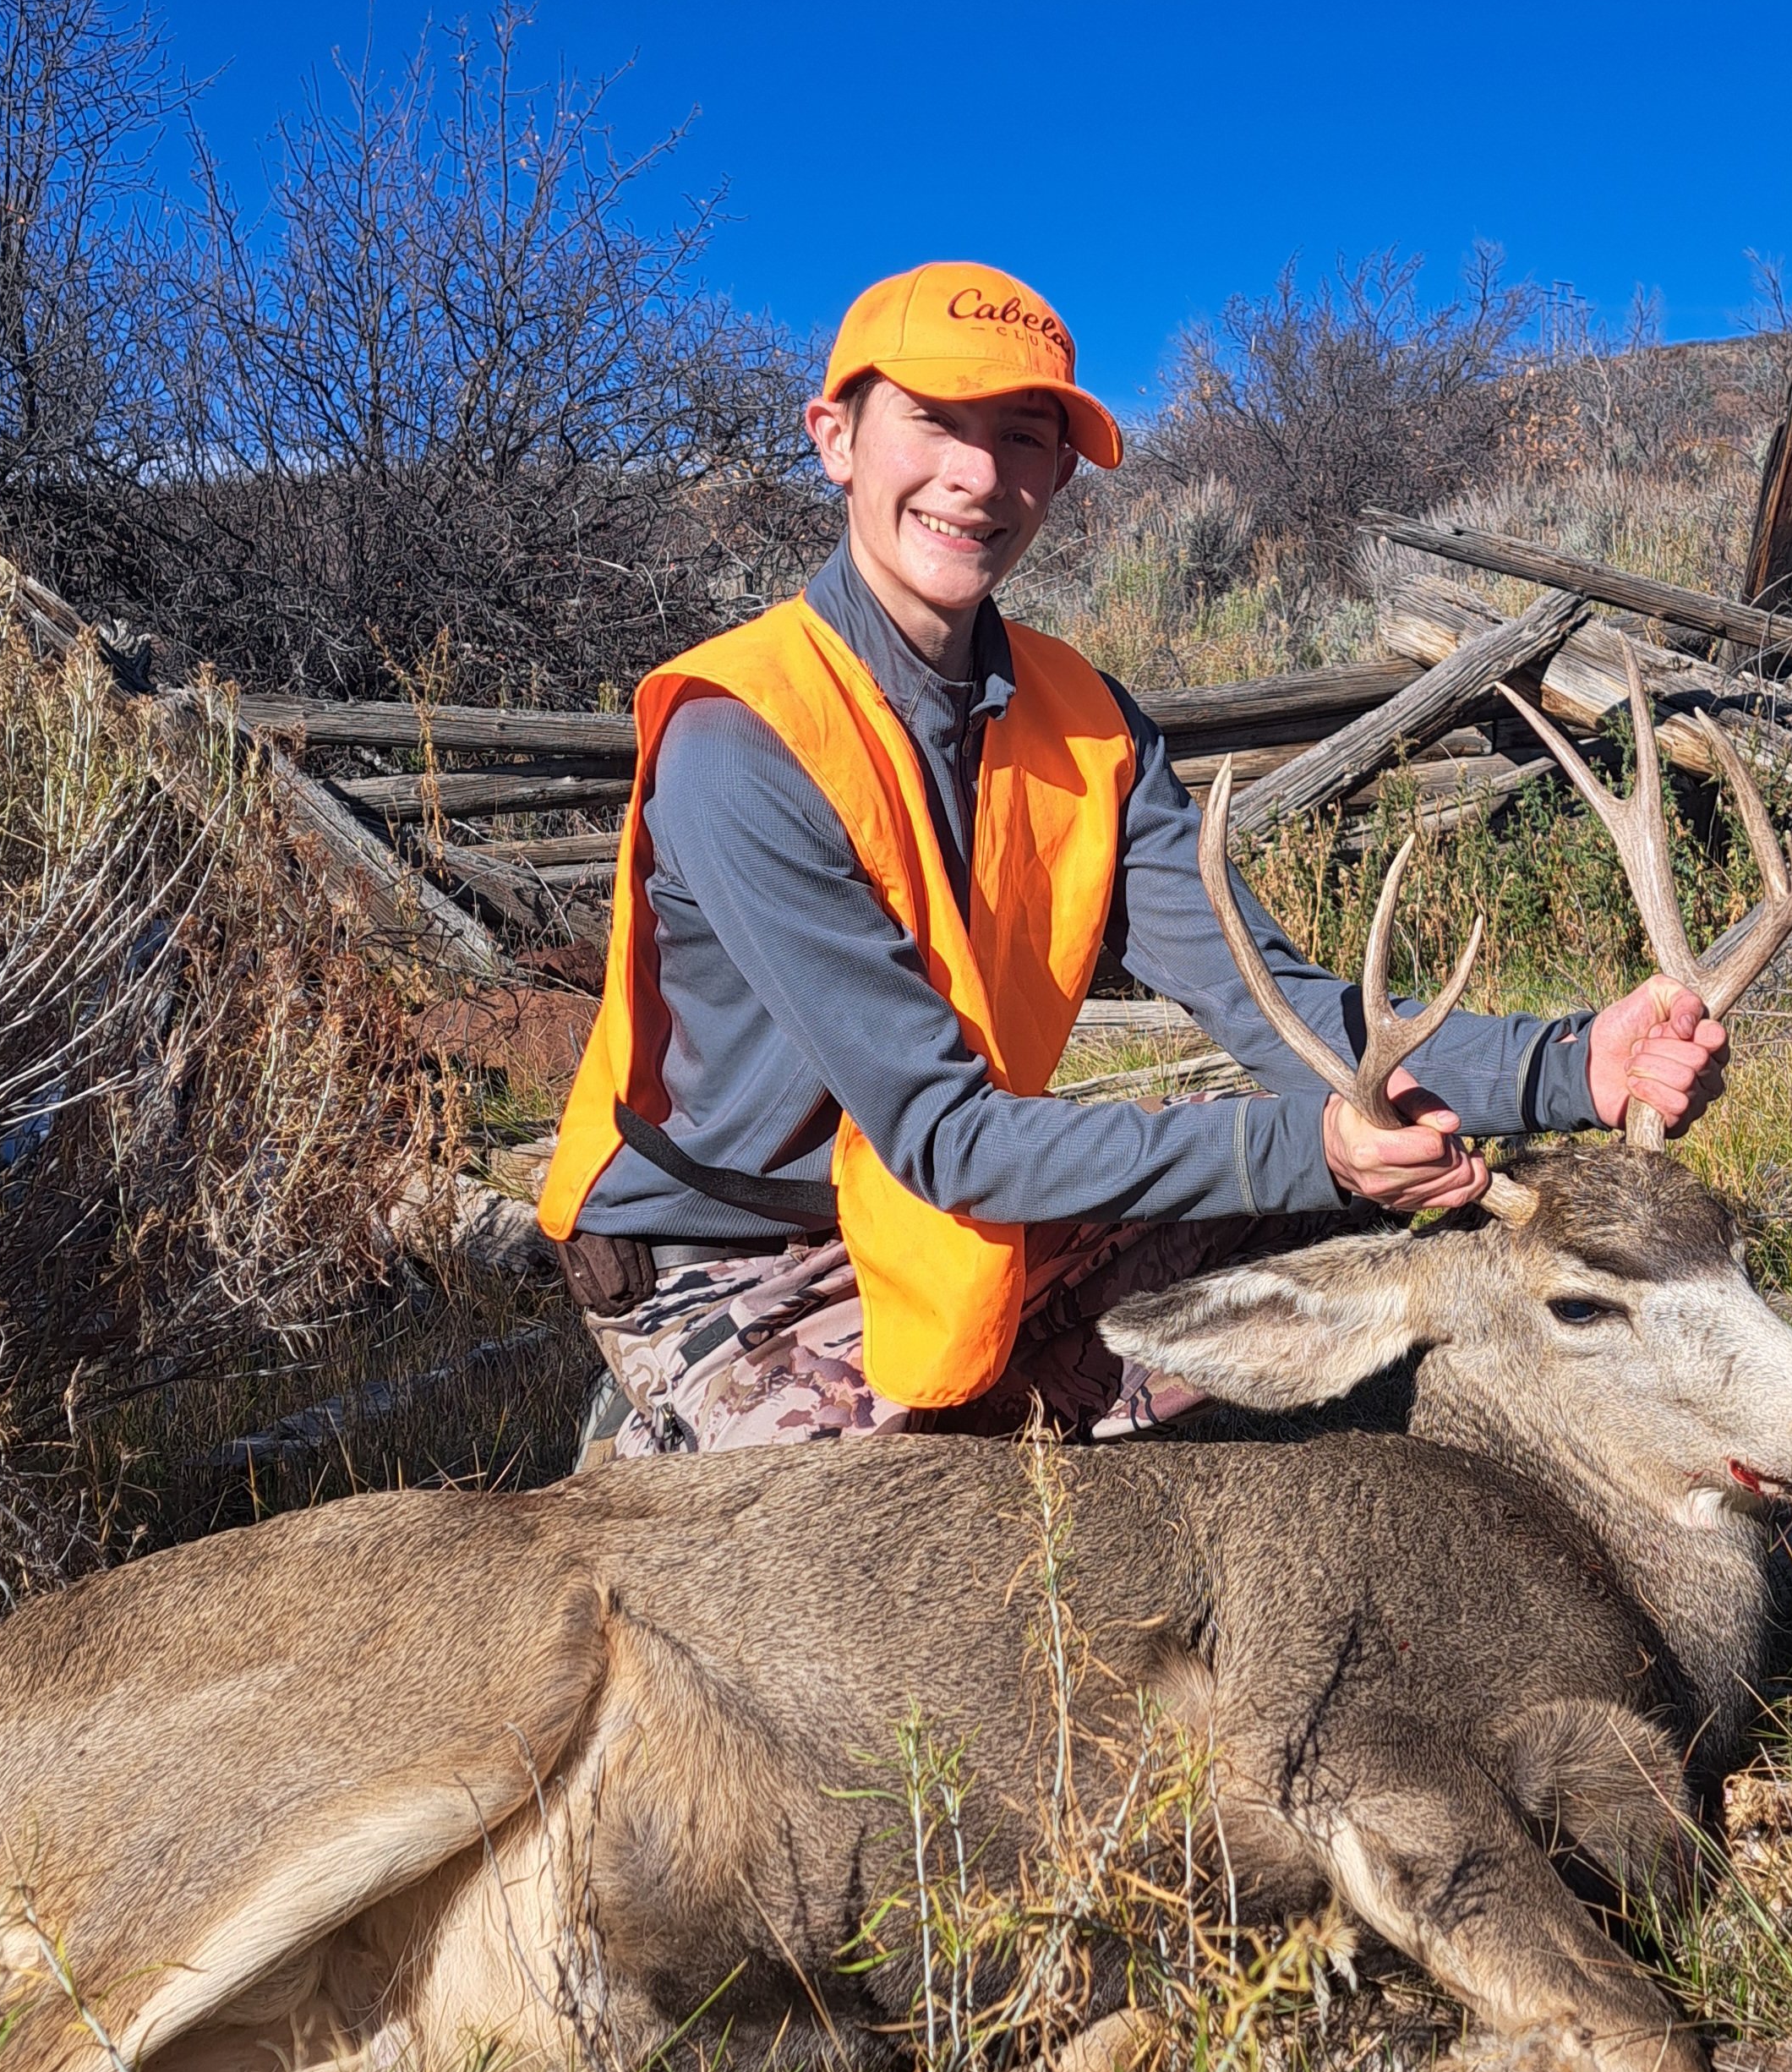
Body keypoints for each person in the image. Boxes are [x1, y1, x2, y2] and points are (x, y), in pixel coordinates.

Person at [540, 260, 1727, 1455]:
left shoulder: (1086, 721)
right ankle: (660, 1442)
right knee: (918, 1565)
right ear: (836, 437)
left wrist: (1578, 1065)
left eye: (1021, 436)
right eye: (935, 422)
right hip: (736, 1264)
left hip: (947, 1219)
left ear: (1060, 474)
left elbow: (1288, 1015)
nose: (977, 475)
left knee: (1362, 1199)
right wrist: (1307, 1144)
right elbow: (946, 1136)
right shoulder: (742, 736)